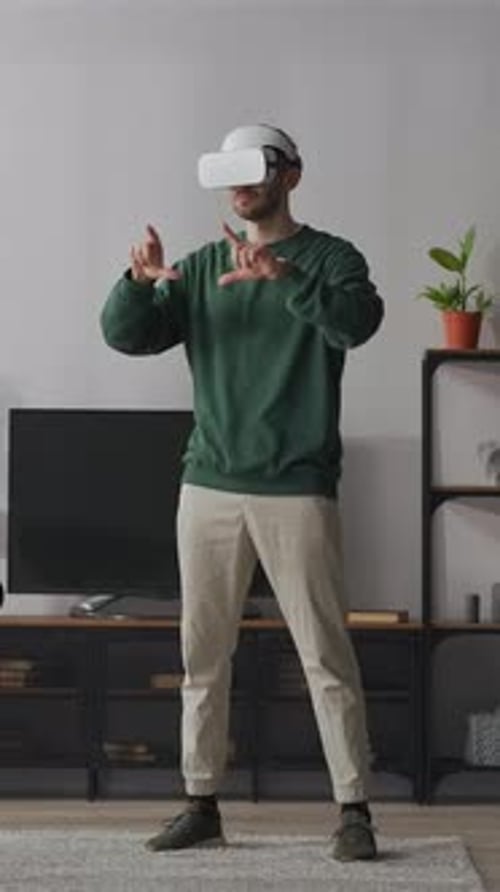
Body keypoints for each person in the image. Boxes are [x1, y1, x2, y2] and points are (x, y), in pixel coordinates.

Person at [100, 123, 384, 861]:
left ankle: (354, 812)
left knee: (325, 655)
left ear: (291, 174)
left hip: (297, 486)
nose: (240, 182)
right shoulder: (199, 269)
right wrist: (136, 284)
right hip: (208, 486)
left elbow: (358, 323)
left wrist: (285, 280)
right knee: (203, 655)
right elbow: (127, 336)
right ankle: (201, 804)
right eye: (230, 169)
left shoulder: (330, 259)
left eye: (255, 167)